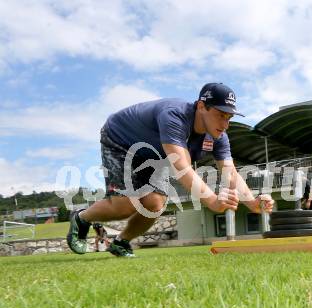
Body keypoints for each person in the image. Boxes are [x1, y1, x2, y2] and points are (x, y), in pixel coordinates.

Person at [66, 82, 275, 257]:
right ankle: (81, 217)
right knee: (126, 205)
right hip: (121, 141)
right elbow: (182, 167)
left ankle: (121, 242)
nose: (225, 123)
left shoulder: (219, 136)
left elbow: (230, 172)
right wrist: (212, 200)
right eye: (220, 115)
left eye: (229, 118)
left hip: (155, 153)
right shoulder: (175, 116)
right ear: (202, 106)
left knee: (154, 204)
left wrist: (253, 203)